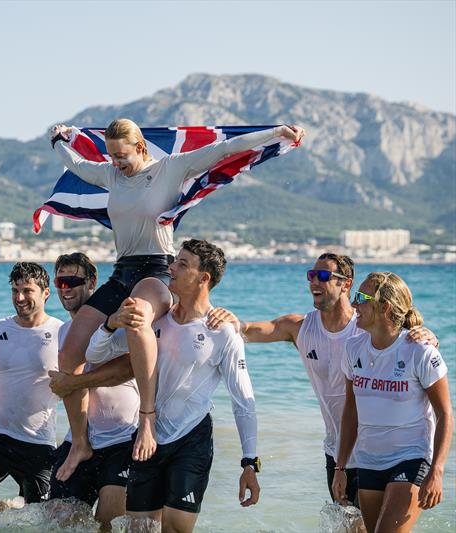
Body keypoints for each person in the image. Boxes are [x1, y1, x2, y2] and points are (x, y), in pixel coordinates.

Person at [48, 119, 305, 480]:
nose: (117, 162)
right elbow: (76, 164)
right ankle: (79, 442)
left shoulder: (170, 168)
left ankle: (146, 418)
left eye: (123, 155)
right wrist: (57, 139)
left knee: (136, 315)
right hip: (122, 269)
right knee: (71, 351)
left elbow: (223, 150)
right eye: (112, 156)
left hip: (157, 269)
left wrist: (275, 133)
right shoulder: (111, 175)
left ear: (140, 147)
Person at [212, 253, 439, 505]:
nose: (314, 282)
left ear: (346, 284)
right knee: (345, 525)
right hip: (336, 451)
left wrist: (427, 334)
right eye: (311, 275)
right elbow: (248, 330)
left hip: (375, 452)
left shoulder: (366, 325)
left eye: (323, 276)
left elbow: (403, 338)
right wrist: (228, 320)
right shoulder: (301, 328)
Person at [85, 239, 259, 533]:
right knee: (138, 529)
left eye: (182, 264)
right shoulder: (153, 321)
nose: (171, 267)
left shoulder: (223, 333)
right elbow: (94, 355)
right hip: (146, 437)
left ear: (204, 278)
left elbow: (244, 401)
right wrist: (111, 323)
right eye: (174, 260)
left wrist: (249, 464)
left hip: (191, 439)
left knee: (176, 529)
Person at [333, 272, 452, 533]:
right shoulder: (353, 349)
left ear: (384, 307)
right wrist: (340, 466)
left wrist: (437, 470)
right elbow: (351, 411)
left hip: (411, 458)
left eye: (361, 298)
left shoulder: (420, 351)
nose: (354, 304)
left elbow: (445, 414)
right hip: (369, 460)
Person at [46, 252, 138, 528]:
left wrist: (71, 383)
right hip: (81, 439)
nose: (66, 289)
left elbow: (128, 369)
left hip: (122, 439)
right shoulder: (64, 332)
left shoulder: (117, 323)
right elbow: (69, 392)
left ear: (92, 282)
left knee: (108, 522)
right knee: (58, 521)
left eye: (73, 281)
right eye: (60, 282)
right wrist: (78, 439)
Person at [0, 262, 63, 507]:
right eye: (15, 290)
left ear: (46, 293)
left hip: (39, 443)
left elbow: (75, 390)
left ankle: (15, 508)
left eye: (27, 290)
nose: (19, 297)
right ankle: (4, 508)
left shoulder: (62, 331)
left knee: (41, 519)